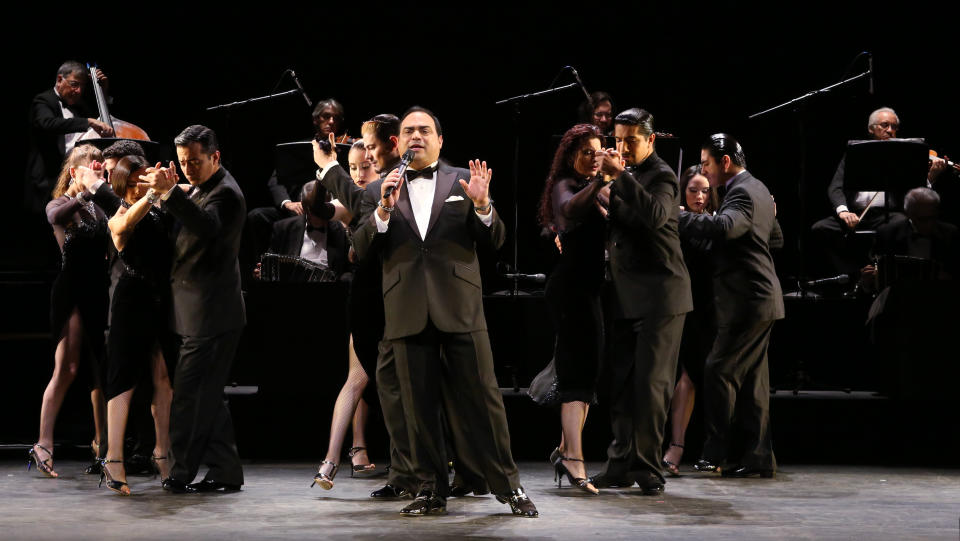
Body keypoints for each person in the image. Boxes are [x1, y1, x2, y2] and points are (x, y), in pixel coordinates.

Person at [352, 106, 537, 517]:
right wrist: (383, 210)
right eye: (408, 131)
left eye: (424, 130)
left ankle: (510, 488)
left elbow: (496, 241)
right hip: (406, 310)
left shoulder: (462, 181)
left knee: (484, 402)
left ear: (439, 140)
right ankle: (429, 489)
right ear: (397, 142)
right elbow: (360, 249)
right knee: (417, 409)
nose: (416, 136)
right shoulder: (378, 189)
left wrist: (484, 206)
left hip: (460, 308)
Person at [313, 113, 423, 499]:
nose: (369, 161)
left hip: (389, 299)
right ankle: (395, 468)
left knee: (390, 386)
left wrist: (329, 168)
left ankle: (416, 469)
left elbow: (363, 202)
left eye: (372, 150)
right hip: (370, 298)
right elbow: (335, 209)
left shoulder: (394, 183)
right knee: (375, 384)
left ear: (390, 145)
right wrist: (323, 179)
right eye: (361, 160)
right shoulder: (372, 189)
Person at [587, 108, 692, 496]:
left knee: (651, 386)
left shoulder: (662, 175)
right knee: (621, 383)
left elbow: (655, 215)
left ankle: (647, 467)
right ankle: (619, 464)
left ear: (651, 140)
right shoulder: (624, 176)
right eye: (618, 139)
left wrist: (620, 180)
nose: (623, 147)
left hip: (661, 297)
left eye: (632, 140)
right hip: (624, 294)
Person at [139, 125, 247, 493]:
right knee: (209, 397)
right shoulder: (200, 189)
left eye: (196, 161)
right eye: (183, 162)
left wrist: (170, 192)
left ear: (215, 156)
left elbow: (205, 226)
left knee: (189, 395)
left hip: (212, 314)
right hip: (195, 311)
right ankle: (226, 470)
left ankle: (181, 472)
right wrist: (167, 195)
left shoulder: (227, 194)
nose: (189, 169)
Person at [680, 133, 784, 478]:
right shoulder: (758, 188)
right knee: (753, 382)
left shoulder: (740, 191)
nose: (705, 173)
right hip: (760, 298)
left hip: (748, 300)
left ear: (725, 162)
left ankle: (717, 453)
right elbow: (776, 238)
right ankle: (758, 458)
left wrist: (678, 217)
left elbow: (725, 227)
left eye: (707, 164)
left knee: (718, 370)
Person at [30, 144, 110, 479]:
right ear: (75, 172)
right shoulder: (62, 203)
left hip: (99, 291)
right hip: (72, 291)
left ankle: (104, 445)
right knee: (68, 367)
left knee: (101, 370)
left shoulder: (98, 210)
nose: (99, 175)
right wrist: (85, 192)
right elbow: (54, 218)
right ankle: (43, 443)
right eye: (93, 169)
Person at [96, 155, 175, 495]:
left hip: (162, 297)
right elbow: (124, 225)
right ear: (121, 186)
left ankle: (163, 453)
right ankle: (113, 459)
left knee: (163, 377)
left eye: (144, 181)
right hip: (132, 299)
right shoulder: (118, 215)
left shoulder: (157, 210)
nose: (140, 187)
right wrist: (153, 194)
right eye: (133, 183)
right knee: (123, 379)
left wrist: (168, 184)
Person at [536, 124, 606, 495]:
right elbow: (568, 209)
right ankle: (574, 459)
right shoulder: (568, 185)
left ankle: (566, 449)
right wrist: (601, 182)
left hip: (589, 291)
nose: (594, 158)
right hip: (570, 290)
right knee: (575, 376)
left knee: (589, 373)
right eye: (587, 152)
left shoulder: (594, 188)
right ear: (571, 156)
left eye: (598, 151)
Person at [811, 107, 948, 276]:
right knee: (821, 228)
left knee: (902, 225)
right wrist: (844, 212)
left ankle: (891, 276)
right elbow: (835, 187)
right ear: (871, 129)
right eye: (885, 125)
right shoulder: (854, 154)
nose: (890, 130)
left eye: (894, 127)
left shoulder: (904, 156)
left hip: (889, 214)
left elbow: (915, 195)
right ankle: (853, 275)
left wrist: (930, 178)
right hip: (856, 214)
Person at [662, 166, 719, 475]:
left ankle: (710, 448)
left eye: (705, 191)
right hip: (683, 305)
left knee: (702, 375)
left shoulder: (718, 222)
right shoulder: (679, 221)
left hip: (710, 309)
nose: (699, 196)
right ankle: (677, 444)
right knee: (685, 374)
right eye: (693, 190)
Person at [26, 61, 114, 213]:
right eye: (74, 84)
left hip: (75, 177)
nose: (78, 90)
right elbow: (47, 123)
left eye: (82, 86)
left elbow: (102, 117)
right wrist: (87, 122)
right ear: (60, 79)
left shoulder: (80, 106)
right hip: (49, 178)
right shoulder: (43, 100)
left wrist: (102, 91)